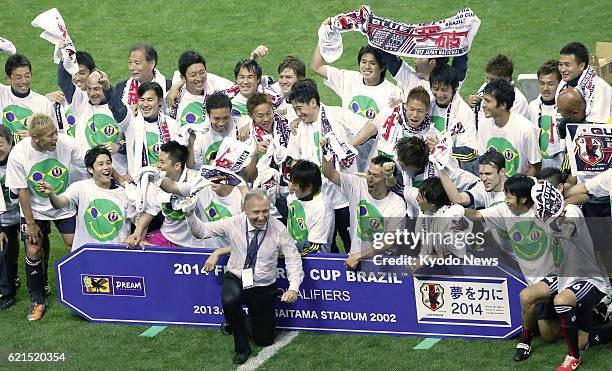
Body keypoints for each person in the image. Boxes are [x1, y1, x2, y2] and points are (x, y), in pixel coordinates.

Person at [185, 189, 304, 364]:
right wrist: (189, 213)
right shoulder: (233, 223)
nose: (262, 217)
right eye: (256, 212)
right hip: (236, 277)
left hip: (263, 286)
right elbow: (202, 231)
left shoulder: (279, 228)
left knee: (265, 340)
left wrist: (294, 287)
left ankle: (234, 320)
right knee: (229, 300)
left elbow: (293, 258)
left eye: (265, 211)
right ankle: (242, 348)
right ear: (244, 210)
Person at [463, 175, 557, 362]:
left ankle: (525, 340)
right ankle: (577, 311)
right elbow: (476, 215)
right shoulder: (503, 210)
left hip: (554, 276)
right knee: (549, 336)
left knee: (527, 296)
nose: (505, 200)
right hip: (531, 279)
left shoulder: (543, 212)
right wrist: (454, 209)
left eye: (508, 197)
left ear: (523, 199)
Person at [5, 113, 85, 321]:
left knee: (74, 245)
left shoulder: (66, 143)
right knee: (33, 248)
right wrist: (30, 224)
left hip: (62, 202)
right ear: (36, 138)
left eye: (55, 133)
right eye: (50, 136)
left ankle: (82, 292)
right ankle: (37, 300)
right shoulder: (19, 154)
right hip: (35, 209)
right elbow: (22, 190)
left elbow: (89, 161)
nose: (55, 139)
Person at [286, 78, 370, 253]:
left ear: (313, 102)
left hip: (344, 198)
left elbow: (370, 127)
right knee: (326, 247)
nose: (298, 114)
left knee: (351, 244)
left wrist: (348, 146)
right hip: (317, 202)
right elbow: (295, 159)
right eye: (294, 109)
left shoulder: (337, 115)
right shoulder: (299, 127)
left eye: (299, 108)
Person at [311, 37, 401, 170]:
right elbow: (316, 66)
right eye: (363, 62)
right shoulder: (349, 79)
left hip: (370, 150)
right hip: (345, 144)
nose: (366, 67)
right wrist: (323, 36)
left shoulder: (392, 93)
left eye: (372, 63)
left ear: (382, 67)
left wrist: (347, 147)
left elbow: (374, 128)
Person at [38, 146, 131, 250]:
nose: (106, 167)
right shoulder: (80, 187)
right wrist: (51, 194)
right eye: (101, 164)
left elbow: (138, 218)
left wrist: (136, 234)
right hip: (86, 254)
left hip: (117, 253)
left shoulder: (125, 192)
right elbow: (59, 203)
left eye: (108, 163)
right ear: (90, 169)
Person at [321, 153, 406, 267]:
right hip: (357, 262)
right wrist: (326, 151)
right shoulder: (356, 185)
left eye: (375, 176)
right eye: (368, 173)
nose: (369, 179)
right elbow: (329, 174)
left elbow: (389, 241)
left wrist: (359, 255)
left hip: (384, 266)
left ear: (387, 179)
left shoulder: (397, 204)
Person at [101, 71, 179, 176]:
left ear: (160, 101)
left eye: (150, 100)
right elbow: (117, 108)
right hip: (138, 186)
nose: (145, 104)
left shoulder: (172, 125)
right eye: (142, 100)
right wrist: (107, 88)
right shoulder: (131, 122)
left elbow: (177, 157)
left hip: (165, 185)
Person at [125, 141, 200, 248]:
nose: (158, 165)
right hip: (167, 237)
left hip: (195, 242)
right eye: (158, 161)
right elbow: (149, 211)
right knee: (140, 247)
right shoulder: (157, 181)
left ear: (177, 166)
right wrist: (137, 233)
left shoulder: (195, 181)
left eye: (162, 162)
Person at [477, 78, 542, 176]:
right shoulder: (483, 123)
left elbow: (535, 165)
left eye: (488, 101)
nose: (483, 105)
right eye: (483, 100)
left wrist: (520, 188)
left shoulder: (526, 129)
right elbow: (482, 159)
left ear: (502, 105)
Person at [428, 64, 479, 174]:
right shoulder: (427, 104)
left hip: (453, 173)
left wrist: (441, 148)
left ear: (454, 88)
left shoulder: (464, 113)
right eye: (435, 89)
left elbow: (470, 153)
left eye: (444, 90)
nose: (439, 94)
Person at [167, 50, 234, 127]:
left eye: (202, 72)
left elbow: (240, 88)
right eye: (193, 75)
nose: (199, 78)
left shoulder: (212, 80)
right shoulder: (177, 100)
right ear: (183, 78)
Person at [1, 54, 56, 143]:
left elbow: (53, 135)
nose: (24, 81)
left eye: (27, 76)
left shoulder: (44, 103)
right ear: (8, 78)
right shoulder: (2, 93)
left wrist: (35, 136)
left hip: (32, 154)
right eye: (18, 77)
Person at [468, 54, 529, 128]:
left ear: (506, 79)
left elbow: (510, 128)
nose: (488, 82)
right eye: (487, 78)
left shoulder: (518, 101)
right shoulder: (486, 86)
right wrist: (469, 105)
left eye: (492, 79)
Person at [556, 42, 612, 123]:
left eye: (567, 65)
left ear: (581, 66)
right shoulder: (563, 84)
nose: (562, 69)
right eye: (560, 64)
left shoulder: (599, 88)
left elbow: (597, 125)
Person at [287, 160, 334, 254]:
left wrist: (285, 251)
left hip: (314, 262)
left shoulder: (321, 208)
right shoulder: (296, 195)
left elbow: (313, 246)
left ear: (309, 186)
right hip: (293, 257)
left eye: (295, 185)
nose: (292, 187)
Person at [527, 60, 563, 168]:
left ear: (560, 84)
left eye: (550, 84)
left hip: (561, 168)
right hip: (539, 168)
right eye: (542, 83)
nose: (545, 88)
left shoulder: (566, 108)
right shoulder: (532, 106)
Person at [189, 92, 238, 170]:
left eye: (226, 117)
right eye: (216, 118)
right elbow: (194, 167)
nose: (221, 123)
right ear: (208, 115)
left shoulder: (238, 126)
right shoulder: (199, 136)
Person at [115, 44, 171, 109]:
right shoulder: (121, 88)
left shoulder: (169, 87)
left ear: (151, 64)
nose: (132, 68)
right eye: (130, 63)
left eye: (137, 63)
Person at [0, 125, 20, 311]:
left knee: (33, 246)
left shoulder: (18, 161)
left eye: (0, 144)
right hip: (3, 220)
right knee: (3, 252)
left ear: (10, 144)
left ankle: (39, 283)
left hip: (23, 216)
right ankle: (7, 292)